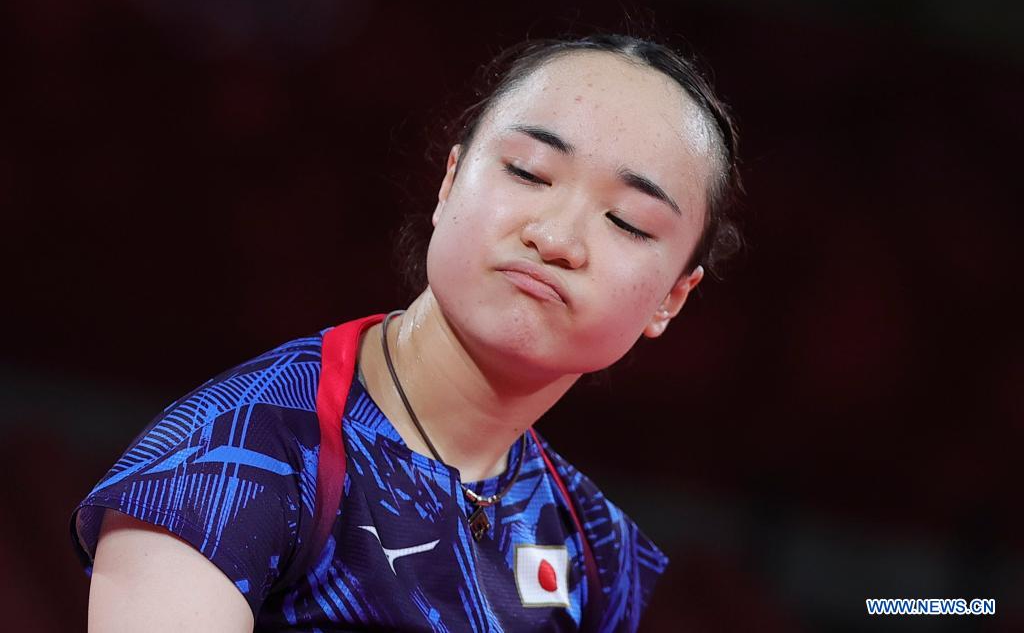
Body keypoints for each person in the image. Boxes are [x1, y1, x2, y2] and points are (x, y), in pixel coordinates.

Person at [70, 33, 743, 632]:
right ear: (450, 183)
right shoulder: (235, 453)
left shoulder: (593, 547)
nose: (557, 238)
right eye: (528, 172)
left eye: (627, 222)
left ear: (672, 299)